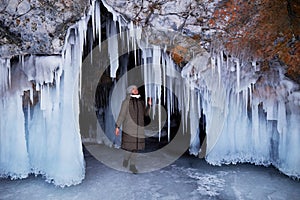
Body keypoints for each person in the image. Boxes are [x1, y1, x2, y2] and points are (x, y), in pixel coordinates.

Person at [115, 85, 152, 173]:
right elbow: (122, 115)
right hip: (129, 129)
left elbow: (145, 114)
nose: (136, 90)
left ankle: (132, 166)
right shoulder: (126, 102)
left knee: (136, 148)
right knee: (130, 148)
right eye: (134, 89)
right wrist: (117, 126)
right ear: (130, 91)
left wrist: (149, 106)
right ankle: (126, 159)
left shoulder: (141, 102)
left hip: (139, 129)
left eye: (136, 88)